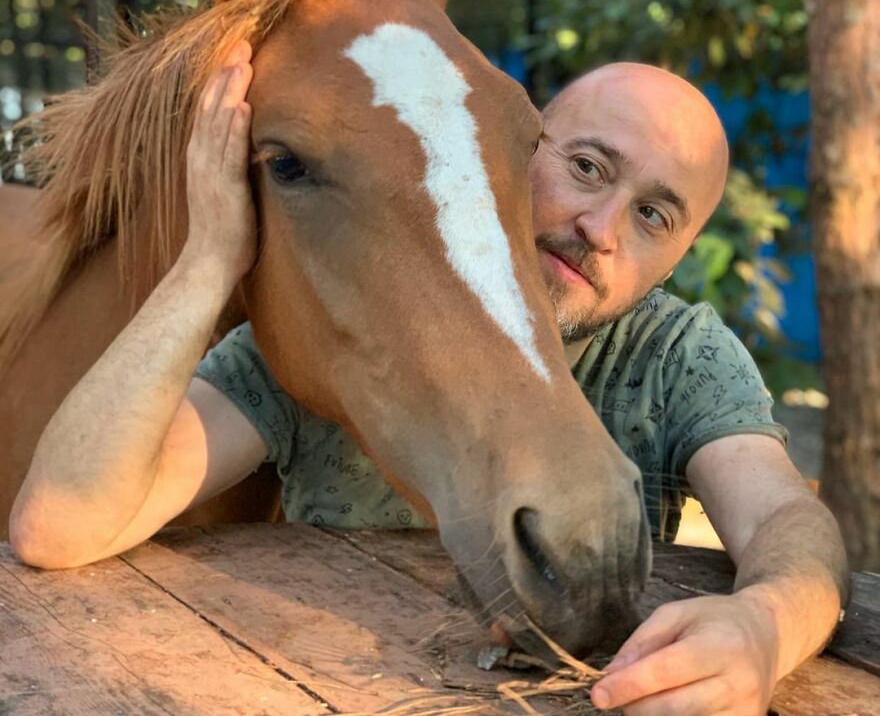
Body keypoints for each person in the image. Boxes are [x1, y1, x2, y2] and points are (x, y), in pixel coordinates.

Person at [9, 46, 847, 716]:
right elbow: (62, 523)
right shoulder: (357, 316)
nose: (600, 228)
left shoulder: (672, 354)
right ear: (511, 153)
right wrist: (209, 260)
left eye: (653, 215)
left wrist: (764, 628)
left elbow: (782, 514)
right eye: (588, 168)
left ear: (676, 257)